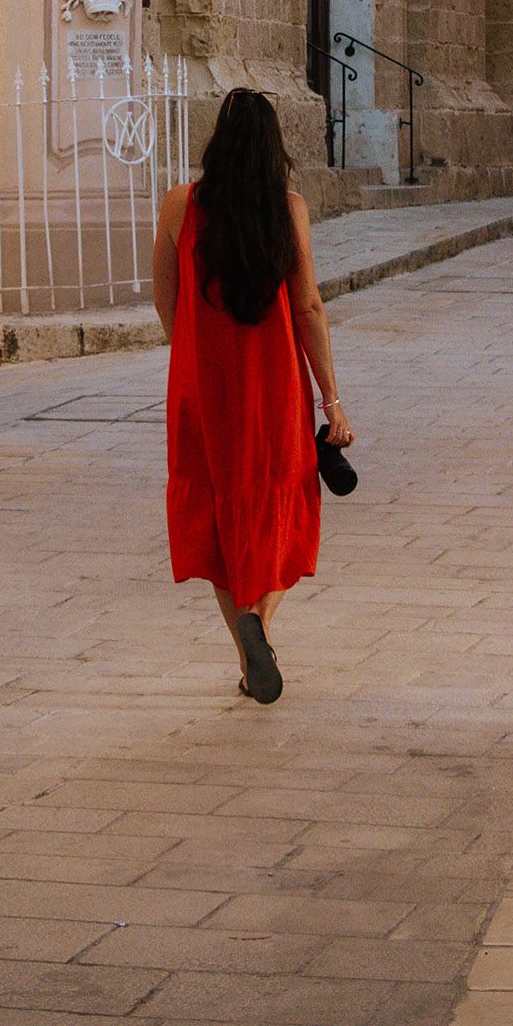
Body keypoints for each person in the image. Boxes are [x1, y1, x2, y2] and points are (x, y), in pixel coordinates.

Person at [152, 86, 353, 704]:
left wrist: (186, 347)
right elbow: (309, 306)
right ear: (274, 150)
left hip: (200, 386)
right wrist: (332, 400)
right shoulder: (287, 209)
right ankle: (259, 624)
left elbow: (163, 289)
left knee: (214, 511)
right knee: (288, 496)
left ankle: (248, 660)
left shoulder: (181, 204)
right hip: (272, 387)